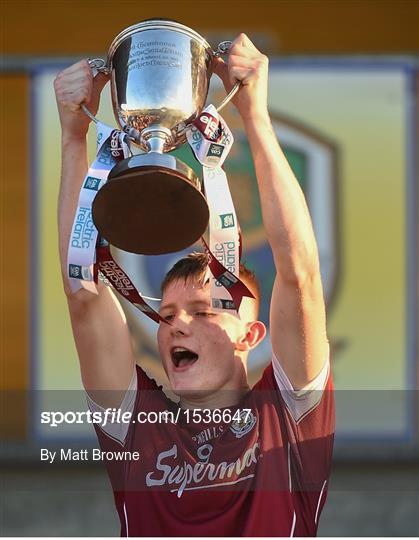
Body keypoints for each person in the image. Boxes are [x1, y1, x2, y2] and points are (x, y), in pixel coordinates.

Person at [54, 31, 334, 537]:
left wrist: (256, 117)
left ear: (251, 336)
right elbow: (84, 293)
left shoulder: (288, 415)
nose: (177, 325)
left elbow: (299, 274)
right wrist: (75, 140)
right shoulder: (136, 427)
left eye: (204, 311)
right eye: (165, 315)